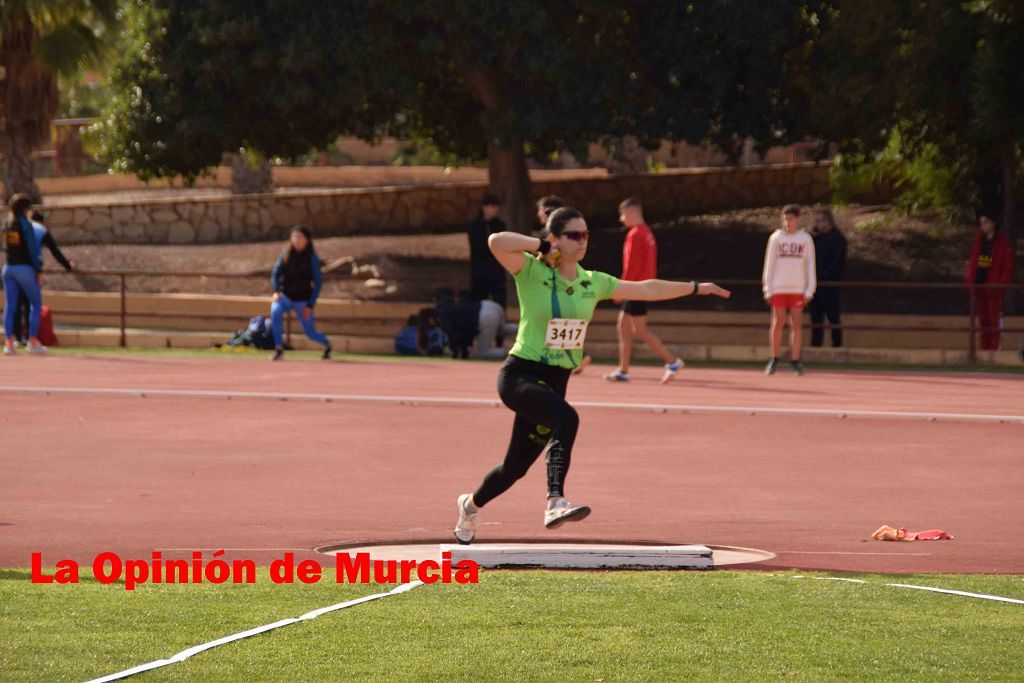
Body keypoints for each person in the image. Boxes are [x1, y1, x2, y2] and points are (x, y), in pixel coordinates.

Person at [452, 206, 730, 543]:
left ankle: (470, 504)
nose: (582, 241)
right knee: (567, 419)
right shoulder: (531, 270)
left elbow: (647, 289)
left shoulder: (592, 282)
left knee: (514, 469)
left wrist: (697, 287)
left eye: (585, 235)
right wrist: (540, 247)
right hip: (520, 375)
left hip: (556, 381)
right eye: (573, 235)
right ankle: (555, 501)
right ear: (555, 238)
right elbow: (497, 240)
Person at [605, 198, 684, 383]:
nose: (621, 219)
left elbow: (632, 266)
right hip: (642, 287)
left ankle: (672, 361)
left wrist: (621, 289)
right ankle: (623, 370)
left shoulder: (635, 234)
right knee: (623, 325)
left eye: (623, 214)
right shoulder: (646, 232)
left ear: (632, 213)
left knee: (639, 330)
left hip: (637, 288)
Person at [536, 195, 593, 375]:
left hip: (554, 285)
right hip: (554, 285)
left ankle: (575, 355)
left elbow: (553, 261)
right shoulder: (548, 237)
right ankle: (575, 356)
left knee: (555, 323)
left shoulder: (554, 237)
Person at [762, 204, 816, 375]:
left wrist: (810, 289)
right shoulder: (776, 238)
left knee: (796, 323)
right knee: (778, 322)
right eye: (785, 218)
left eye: (791, 218)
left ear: (798, 219)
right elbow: (769, 264)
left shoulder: (805, 239)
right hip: (779, 287)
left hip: (797, 288)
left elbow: (810, 265)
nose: (788, 222)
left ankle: (795, 359)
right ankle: (774, 358)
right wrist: (768, 288)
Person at [269, 225, 333, 361]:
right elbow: (275, 273)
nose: (297, 240)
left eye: (300, 237)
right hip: (285, 297)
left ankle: (327, 345)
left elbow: (318, 282)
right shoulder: (285, 254)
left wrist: (310, 305)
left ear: (307, 240)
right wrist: (276, 291)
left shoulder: (312, 258)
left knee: (310, 333)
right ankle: (279, 348)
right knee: (275, 311)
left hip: (302, 300)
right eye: (294, 237)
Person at [2, 194, 47, 355]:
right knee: (35, 304)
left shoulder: (6, 224)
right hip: (25, 269)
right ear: (26, 209)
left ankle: (8, 343)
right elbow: (32, 249)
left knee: (10, 305)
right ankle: (32, 341)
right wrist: (39, 269)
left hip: (8, 268)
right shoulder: (25, 224)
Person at [965, 212, 1013, 351]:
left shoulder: (1002, 242)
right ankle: (984, 348)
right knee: (983, 320)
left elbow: (1007, 266)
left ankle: (994, 348)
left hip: (992, 287)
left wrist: (1000, 283)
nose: (983, 226)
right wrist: (970, 280)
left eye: (985, 222)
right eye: (981, 223)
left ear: (993, 224)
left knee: (993, 318)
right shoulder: (979, 240)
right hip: (979, 285)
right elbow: (974, 261)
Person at [467, 194, 508, 326]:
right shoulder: (475, 225)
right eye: (492, 206)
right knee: (477, 303)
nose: (495, 210)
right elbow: (478, 245)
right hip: (480, 270)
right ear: (485, 207)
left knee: (500, 302)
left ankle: (500, 335)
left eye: (497, 207)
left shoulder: (500, 225)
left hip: (497, 270)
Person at [809, 209, 847, 348]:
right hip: (816, 285)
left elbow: (837, 263)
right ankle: (815, 345)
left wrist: (824, 275)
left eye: (819, 221)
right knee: (816, 317)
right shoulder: (816, 239)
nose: (817, 224)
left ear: (827, 221)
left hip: (830, 284)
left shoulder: (837, 239)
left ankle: (837, 344)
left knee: (833, 315)